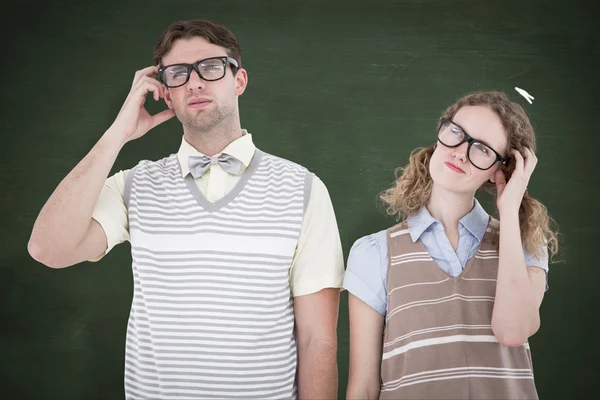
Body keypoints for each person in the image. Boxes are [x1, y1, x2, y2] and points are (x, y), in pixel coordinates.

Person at [28, 19, 344, 399]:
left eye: (210, 67)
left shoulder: (303, 189)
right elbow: (48, 249)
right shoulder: (135, 186)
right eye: (178, 74)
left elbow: (317, 340)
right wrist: (118, 134)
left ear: (239, 81)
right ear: (165, 92)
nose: (194, 82)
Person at [343, 91, 559, 399]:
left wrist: (509, 211)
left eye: (482, 149)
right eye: (456, 133)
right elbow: (363, 387)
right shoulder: (374, 253)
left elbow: (512, 333)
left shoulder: (524, 245)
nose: (459, 152)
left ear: (500, 170)